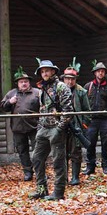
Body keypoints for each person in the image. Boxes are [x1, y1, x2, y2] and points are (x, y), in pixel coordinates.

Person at [29, 59, 72, 200]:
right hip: (43, 128)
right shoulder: (42, 88)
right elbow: (42, 109)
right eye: (42, 71)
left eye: (47, 70)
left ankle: (58, 192)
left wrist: (60, 128)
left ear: (53, 71)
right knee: (36, 158)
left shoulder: (61, 87)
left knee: (58, 161)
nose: (45, 73)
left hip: (56, 129)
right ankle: (41, 189)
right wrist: (40, 126)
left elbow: (68, 110)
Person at [0, 67, 40, 181]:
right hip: (18, 128)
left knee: (38, 150)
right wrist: (9, 102)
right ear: (17, 83)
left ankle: (39, 171)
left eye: (26, 81)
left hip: (34, 127)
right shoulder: (11, 93)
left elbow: (44, 107)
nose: (24, 84)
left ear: (29, 82)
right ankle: (28, 172)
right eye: (21, 82)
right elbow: (2, 107)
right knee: (22, 151)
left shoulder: (37, 93)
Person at [83, 62, 107, 176]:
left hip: (105, 120)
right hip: (92, 120)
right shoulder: (88, 86)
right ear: (95, 73)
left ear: (105, 73)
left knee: (106, 144)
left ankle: (106, 167)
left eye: (103, 71)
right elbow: (84, 103)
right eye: (98, 71)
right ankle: (90, 167)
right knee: (90, 144)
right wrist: (86, 119)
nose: (101, 72)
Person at [62, 65, 90, 185]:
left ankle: (75, 177)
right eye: (67, 78)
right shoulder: (59, 90)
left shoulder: (81, 92)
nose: (70, 81)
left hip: (76, 126)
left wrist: (83, 125)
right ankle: (63, 178)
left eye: (72, 79)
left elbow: (87, 111)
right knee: (62, 153)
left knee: (75, 152)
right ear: (64, 79)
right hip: (62, 126)